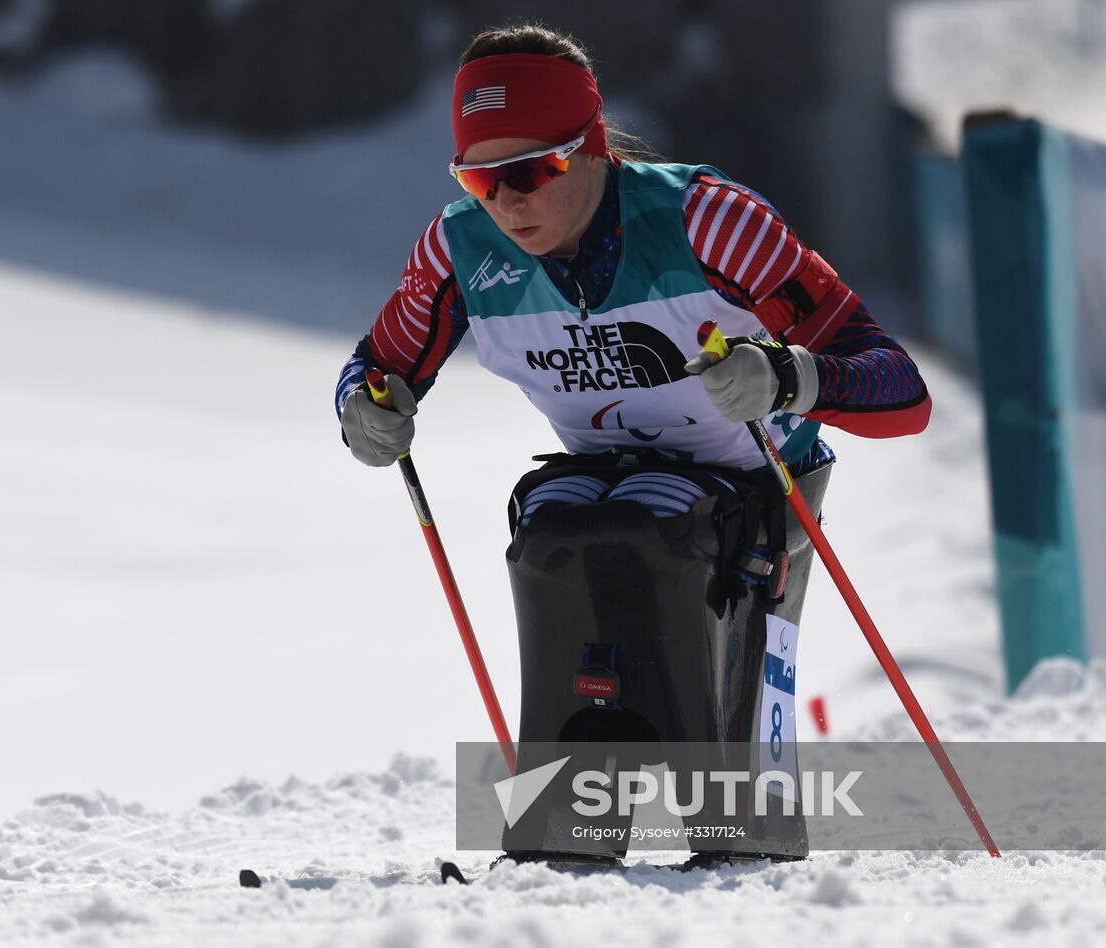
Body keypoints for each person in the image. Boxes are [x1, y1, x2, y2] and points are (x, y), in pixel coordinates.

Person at [334, 24, 930, 870]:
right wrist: (366, 412)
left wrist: (790, 377)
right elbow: (376, 370)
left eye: (530, 172)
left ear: (591, 149)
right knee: (553, 537)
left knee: (663, 540)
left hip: (759, 480)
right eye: (479, 178)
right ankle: (565, 833)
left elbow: (901, 389)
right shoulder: (459, 249)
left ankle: (733, 830)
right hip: (604, 474)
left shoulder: (709, 222)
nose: (506, 203)